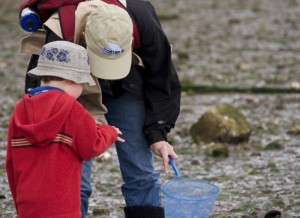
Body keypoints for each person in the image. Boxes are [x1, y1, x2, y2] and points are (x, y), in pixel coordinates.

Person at [19, 0, 181, 217]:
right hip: (75, 87)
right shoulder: (62, 29)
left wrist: (158, 133)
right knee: (76, 180)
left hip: (127, 84)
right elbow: (42, 87)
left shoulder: (144, 21)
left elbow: (161, 78)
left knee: (141, 174)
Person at [6, 40, 124, 218]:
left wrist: (19, 201)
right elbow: (91, 146)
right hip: (63, 204)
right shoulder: (72, 108)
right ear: (71, 80)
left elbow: (10, 163)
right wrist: (110, 132)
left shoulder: (21, 108)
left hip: (28, 203)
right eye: (82, 84)